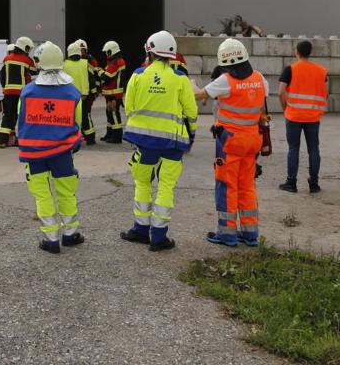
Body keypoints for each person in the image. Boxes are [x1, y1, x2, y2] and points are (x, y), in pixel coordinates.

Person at [120, 31, 197, 252]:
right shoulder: (180, 79)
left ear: (149, 51)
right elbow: (191, 112)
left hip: (144, 142)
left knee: (143, 183)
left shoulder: (137, 75)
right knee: (166, 186)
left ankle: (141, 230)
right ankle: (159, 237)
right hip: (172, 143)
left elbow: (130, 106)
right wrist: (190, 134)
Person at [197, 38, 268, 248]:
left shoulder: (226, 80)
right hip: (253, 139)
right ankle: (250, 233)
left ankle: (227, 233)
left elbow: (199, 94)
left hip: (230, 141)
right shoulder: (260, 78)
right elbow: (262, 108)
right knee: (247, 185)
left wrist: (191, 85)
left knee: (227, 185)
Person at [17, 41, 84, 253]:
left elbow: (21, 123)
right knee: (66, 192)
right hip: (63, 153)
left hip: (35, 154)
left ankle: (51, 239)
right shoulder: (72, 93)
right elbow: (78, 122)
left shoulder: (27, 92)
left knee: (43, 194)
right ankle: (71, 234)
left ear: (38, 63)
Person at [278, 40, 328, 194]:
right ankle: (314, 184)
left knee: (294, 148)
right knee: (314, 149)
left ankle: (291, 182)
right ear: (310, 52)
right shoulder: (321, 71)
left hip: (293, 115)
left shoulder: (290, 70)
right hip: (313, 116)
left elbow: (281, 92)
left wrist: (285, 108)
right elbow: (325, 93)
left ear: (296, 52)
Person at [0, 36, 37, 148]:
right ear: (24, 47)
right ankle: (24, 141)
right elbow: (34, 72)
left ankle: (2, 141)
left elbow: (2, 76)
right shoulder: (27, 60)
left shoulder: (7, 59)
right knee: (23, 116)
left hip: (8, 93)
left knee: (7, 116)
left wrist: (4, 88)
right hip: (22, 93)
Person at [63, 42, 94, 145]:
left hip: (68, 97)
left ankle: (68, 138)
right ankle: (90, 138)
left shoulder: (64, 65)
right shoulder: (86, 63)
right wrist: (93, 92)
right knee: (85, 118)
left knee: (69, 118)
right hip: (83, 96)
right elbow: (91, 78)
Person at [99, 40, 127, 143]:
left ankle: (117, 137)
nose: (106, 54)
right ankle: (109, 134)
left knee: (114, 115)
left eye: (107, 52)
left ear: (111, 51)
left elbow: (106, 77)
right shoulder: (115, 61)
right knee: (109, 114)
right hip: (111, 94)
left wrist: (99, 71)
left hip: (114, 94)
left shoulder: (116, 62)